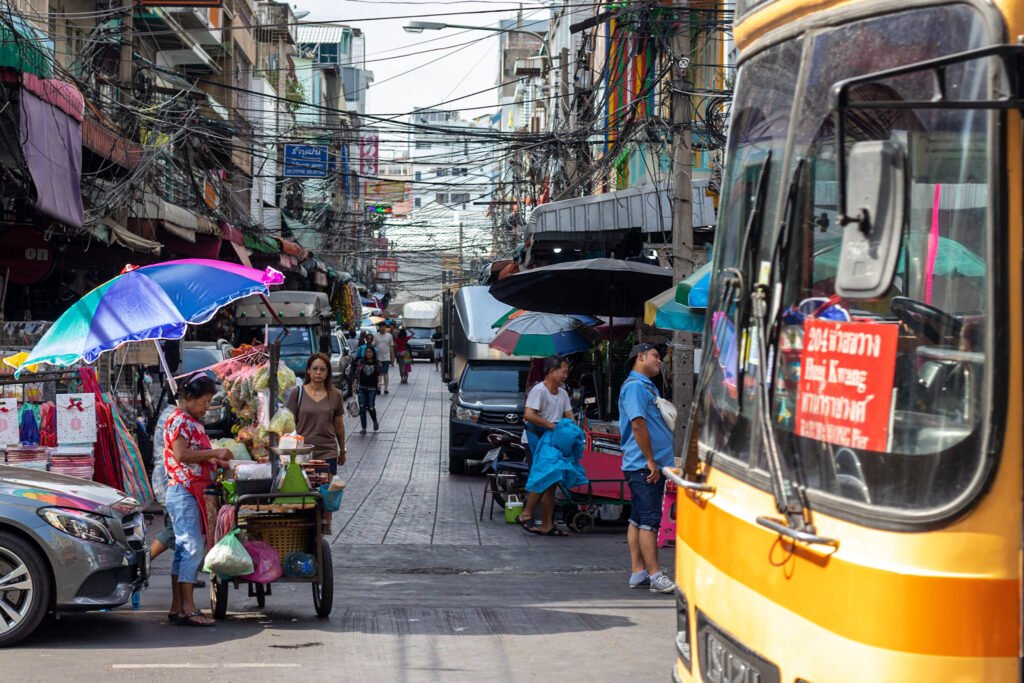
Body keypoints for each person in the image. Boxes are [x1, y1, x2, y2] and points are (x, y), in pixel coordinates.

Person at [163, 372, 235, 626]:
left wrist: (214, 459)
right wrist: (213, 452)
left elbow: (195, 453)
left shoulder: (190, 421)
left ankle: (177, 607)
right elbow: (181, 454)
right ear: (190, 398)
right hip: (183, 491)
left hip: (191, 491)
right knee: (191, 547)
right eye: (205, 401)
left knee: (184, 550)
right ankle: (189, 608)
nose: (207, 407)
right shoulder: (179, 420)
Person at [618, 343, 676, 594]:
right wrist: (651, 460)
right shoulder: (635, 388)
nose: (659, 361)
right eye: (655, 356)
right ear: (639, 357)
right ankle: (655, 575)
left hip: (645, 464)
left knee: (638, 518)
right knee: (649, 521)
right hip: (645, 466)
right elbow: (638, 424)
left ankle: (638, 572)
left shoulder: (644, 386)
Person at [516, 355, 574, 536]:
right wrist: (552, 426)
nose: (566, 376)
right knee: (545, 475)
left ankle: (547, 524)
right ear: (551, 372)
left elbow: (569, 416)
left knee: (552, 480)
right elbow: (529, 415)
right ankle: (525, 514)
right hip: (535, 437)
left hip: (552, 440)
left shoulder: (563, 393)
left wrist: (574, 432)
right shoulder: (539, 391)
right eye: (563, 372)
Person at [287, 353, 347, 475]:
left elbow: (339, 426)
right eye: (315, 368)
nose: (318, 372)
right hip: (302, 453)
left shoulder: (336, 395)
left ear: (327, 372)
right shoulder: (297, 394)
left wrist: (342, 451)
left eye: (322, 369)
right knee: (303, 491)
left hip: (327, 452)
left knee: (325, 491)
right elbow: (289, 426)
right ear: (308, 370)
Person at [351, 345, 382, 434]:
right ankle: (364, 428)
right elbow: (356, 375)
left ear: (373, 353)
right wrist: (354, 386)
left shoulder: (377, 363)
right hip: (362, 388)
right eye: (367, 352)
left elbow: (379, 375)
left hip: (372, 389)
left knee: (371, 407)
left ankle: (374, 420)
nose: (368, 354)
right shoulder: (361, 362)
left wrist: (379, 384)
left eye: (370, 352)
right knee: (362, 407)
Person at [374, 323, 395, 394]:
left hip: (386, 357)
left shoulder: (389, 336)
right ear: (379, 328)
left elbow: (391, 347)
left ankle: (386, 388)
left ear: (385, 328)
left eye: (383, 327)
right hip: (378, 357)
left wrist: (392, 357)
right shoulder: (375, 335)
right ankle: (379, 387)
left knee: (385, 372)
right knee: (379, 373)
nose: (382, 328)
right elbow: (373, 345)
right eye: (381, 327)